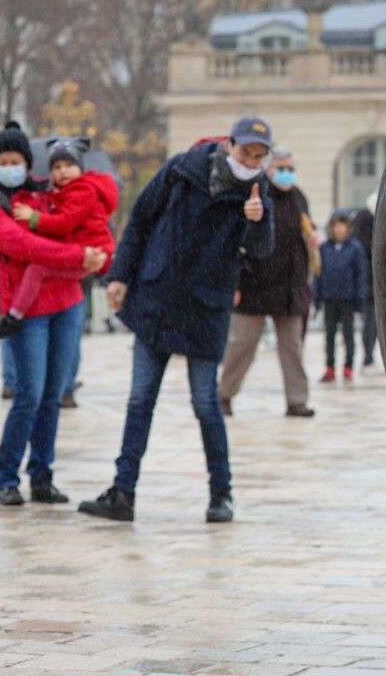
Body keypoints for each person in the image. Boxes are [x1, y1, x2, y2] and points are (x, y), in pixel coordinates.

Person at [77, 116, 276, 524]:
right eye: (246, 153)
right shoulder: (184, 168)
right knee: (139, 399)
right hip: (159, 297)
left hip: (206, 309)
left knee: (205, 403)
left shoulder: (257, 192)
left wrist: (259, 220)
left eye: (259, 157)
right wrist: (119, 275)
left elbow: (260, 250)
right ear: (229, 145)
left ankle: (221, 494)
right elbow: (141, 218)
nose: (251, 162)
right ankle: (122, 491)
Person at [0, 123, 107, 506]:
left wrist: (96, 252)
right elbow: (24, 245)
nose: (10, 167)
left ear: (28, 163)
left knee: (53, 395)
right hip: (28, 310)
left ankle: (42, 475)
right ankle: (7, 477)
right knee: (29, 394)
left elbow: (84, 218)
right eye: (2, 162)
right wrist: (78, 256)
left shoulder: (49, 193)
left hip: (68, 303)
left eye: (16, 160)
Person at [217, 146, 315, 418]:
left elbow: (306, 231)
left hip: (290, 289)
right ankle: (223, 395)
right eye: (281, 168)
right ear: (268, 169)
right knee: (242, 345)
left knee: (293, 348)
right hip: (254, 286)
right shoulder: (257, 195)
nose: (287, 173)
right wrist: (236, 282)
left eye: (290, 169)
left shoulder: (299, 198)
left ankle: (297, 401)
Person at [0, 139, 118, 345]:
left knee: (36, 270)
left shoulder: (82, 191)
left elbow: (64, 224)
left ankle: (13, 316)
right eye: (56, 167)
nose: (63, 171)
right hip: (84, 257)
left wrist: (34, 217)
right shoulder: (60, 193)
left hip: (89, 254)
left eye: (69, 165)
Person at [314, 211, 367, 383]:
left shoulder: (355, 248)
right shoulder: (324, 248)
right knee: (329, 336)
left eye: (342, 225)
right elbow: (318, 274)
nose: (339, 229)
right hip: (330, 299)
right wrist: (317, 297)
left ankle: (348, 367)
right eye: (336, 225)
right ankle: (329, 368)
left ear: (348, 227)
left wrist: (359, 298)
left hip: (347, 300)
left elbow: (360, 275)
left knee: (348, 335)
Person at [349, 198, 377, 368]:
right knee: (371, 321)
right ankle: (368, 356)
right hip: (370, 282)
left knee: (371, 321)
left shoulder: (361, 220)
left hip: (369, 282)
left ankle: (369, 355)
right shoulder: (366, 220)